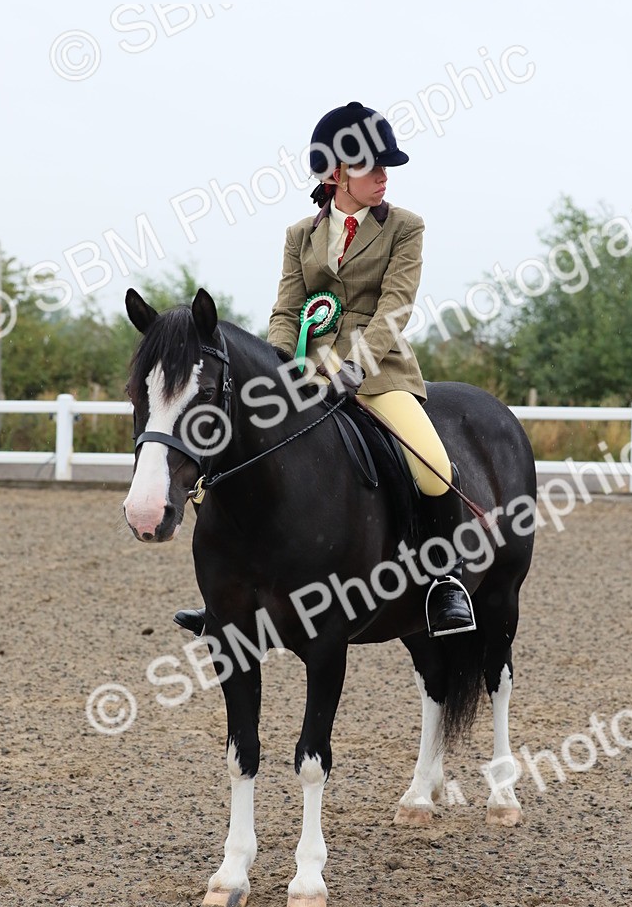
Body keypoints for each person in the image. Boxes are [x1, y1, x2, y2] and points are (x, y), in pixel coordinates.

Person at [175, 101, 475, 638]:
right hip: (305, 373)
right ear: (337, 174)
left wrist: (356, 367)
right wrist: (279, 368)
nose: (384, 177)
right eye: (372, 168)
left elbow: (397, 305)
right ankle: (227, 594)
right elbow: (287, 309)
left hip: (378, 373)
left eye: (387, 167)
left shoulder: (406, 227)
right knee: (232, 451)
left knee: (433, 466)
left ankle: (443, 582)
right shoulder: (300, 235)